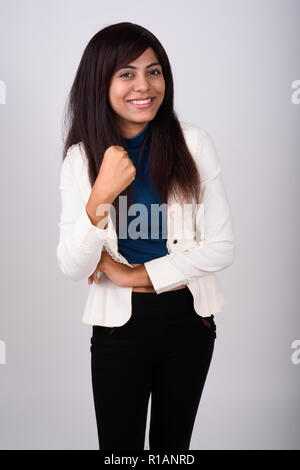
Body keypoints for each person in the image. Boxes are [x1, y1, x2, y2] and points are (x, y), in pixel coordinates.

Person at [56, 22, 235, 450]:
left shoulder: (193, 143)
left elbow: (221, 247)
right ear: (100, 82)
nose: (145, 85)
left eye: (154, 71)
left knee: (173, 451)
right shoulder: (80, 159)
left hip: (190, 322)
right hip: (120, 329)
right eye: (127, 73)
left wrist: (129, 274)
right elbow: (73, 264)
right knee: (120, 452)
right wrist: (102, 191)